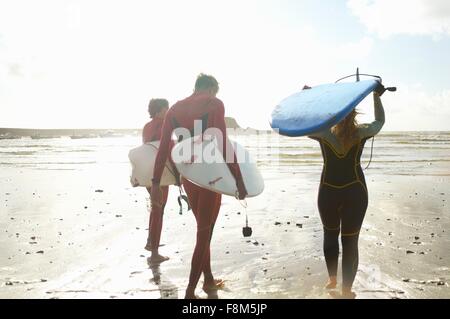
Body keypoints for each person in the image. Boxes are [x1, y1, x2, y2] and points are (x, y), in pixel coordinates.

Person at [150, 74, 248, 299]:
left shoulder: (174, 109)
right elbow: (222, 142)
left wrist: (156, 183)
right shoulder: (214, 104)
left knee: (204, 229)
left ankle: (209, 280)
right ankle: (190, 293)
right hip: (210, 175)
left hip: (189, 175)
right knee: (204, 233)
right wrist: (239, 179)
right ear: (212, 88)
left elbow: (165, 149)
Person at [307, 83, 386, 299]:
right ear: (353, 113)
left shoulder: (322, 131)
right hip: (356, 192)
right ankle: (345, 289)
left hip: (328, 192)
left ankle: (333, 280)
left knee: (330, 236)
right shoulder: (361, 132)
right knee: (350, 241)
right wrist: (376, 96)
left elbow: (302, 124)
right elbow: (379, 122)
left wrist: (308, 98)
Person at [143, 98, 171, 263]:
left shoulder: (147, 126)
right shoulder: (162, 125)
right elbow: (166, 148)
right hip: (159, 174)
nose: (168, 112)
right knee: (159, 210)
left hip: (147, 171)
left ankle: (150, 242)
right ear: (160, 110)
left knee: (155, 208)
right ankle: (154, 253)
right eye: (167, 109)